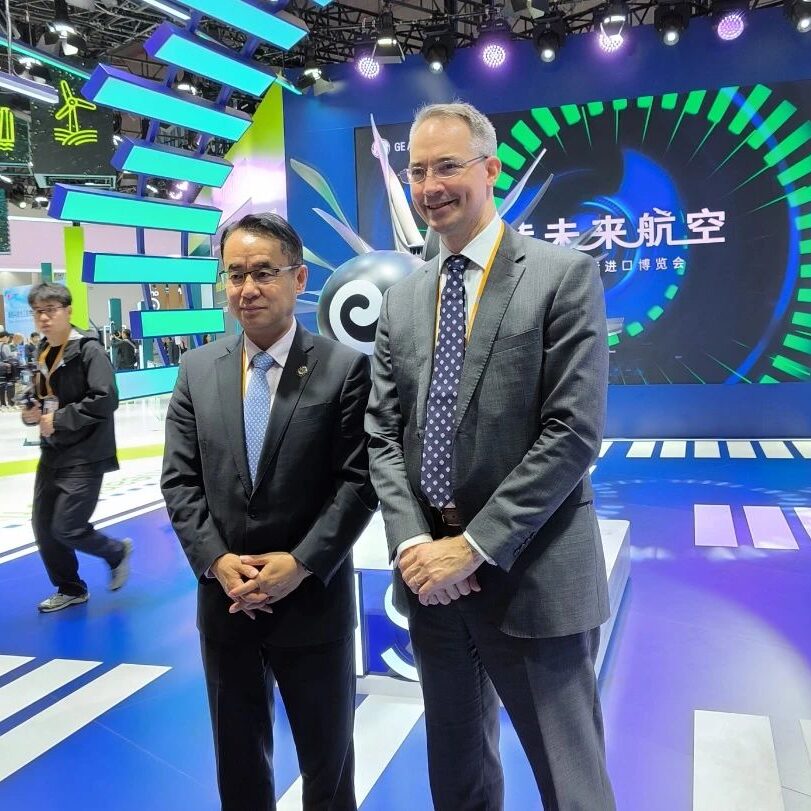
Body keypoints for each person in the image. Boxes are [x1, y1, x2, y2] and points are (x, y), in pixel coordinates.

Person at [365, 102, 616, 811]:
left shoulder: (562, 276)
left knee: (572, 786)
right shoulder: (403, 299)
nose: (430, 186)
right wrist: (415, 543)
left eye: (447, 166)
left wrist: (472, 547)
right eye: (417, 171)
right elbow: (382, 432)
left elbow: (572, 431)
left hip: (532, 575)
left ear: (490, 169)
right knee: (459, 778)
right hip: (432, 586)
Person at [161, 213, 376, 811]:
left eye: (263, 272)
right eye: (235, 274)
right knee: (238, 765)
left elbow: (358, 482)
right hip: (226, 603)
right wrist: (216, 561)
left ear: (298, 278)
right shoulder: (197, 370)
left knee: (328, 765)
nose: (247, 288)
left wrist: (301, 563)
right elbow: (180, 480)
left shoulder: (343, 368)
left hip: (312, 605)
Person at [20, 283, 132, 613]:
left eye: (51, 310)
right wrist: (32, 411)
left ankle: (116, 552)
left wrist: (58, 419)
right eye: (38, 312)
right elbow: (42, 395)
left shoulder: (88, 350)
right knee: (44, 528)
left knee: (67, 527)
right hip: (52, 453)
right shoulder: (43, 351)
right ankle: (70, 588)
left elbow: (106, 398)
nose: (44, 318)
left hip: (86, 453)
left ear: (68, 311)